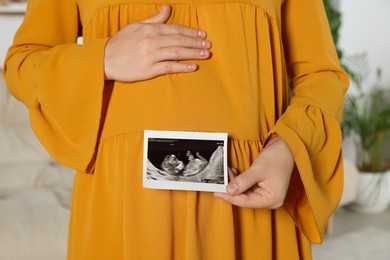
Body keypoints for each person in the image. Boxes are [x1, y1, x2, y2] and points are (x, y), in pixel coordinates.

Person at [3, 0, 349, 259]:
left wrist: (287, 148)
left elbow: (322, 76)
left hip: (244, 193)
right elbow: (22, 64)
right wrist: (103, 57)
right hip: (123, 207)